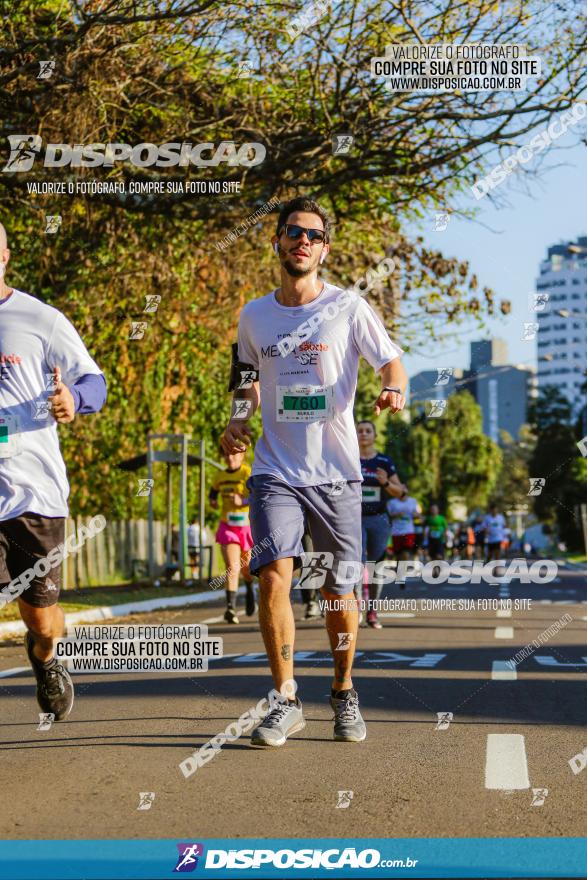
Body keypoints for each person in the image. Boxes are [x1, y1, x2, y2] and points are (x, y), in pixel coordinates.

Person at [221, 196, 406, 747]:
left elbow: (391, 360)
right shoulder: (253, 315)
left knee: (337, 592)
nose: (303, 241)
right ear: (276, 241)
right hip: (275, 470)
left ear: (325, 249)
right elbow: (245, 383)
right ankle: (285, 699)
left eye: (314, 235)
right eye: (294, 232)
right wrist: (236, 422)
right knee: (274, 573)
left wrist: (393, 386)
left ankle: (344, 691)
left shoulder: (349, 307)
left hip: (337, 474)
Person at [0, 222, 107, 721]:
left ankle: (46, 658)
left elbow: (95, 381)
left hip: (33, 492)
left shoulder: (38, 319)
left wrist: (73, 399)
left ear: (4, 257)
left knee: (41, 618)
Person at [356, 419, 406, 628]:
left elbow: (401, 493)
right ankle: (357, 608)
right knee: (356, 563)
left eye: (368, 431)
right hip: (353, 519)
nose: (364, 434)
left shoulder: (384, 461)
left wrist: (385, 482)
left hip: (379, 519)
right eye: (360, 431)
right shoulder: (348, 458)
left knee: (376, 565)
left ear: (375, 436)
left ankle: (372, 610)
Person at [209, 448, 256, 623]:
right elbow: (212, 493)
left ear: (242, 455)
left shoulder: (247, 473)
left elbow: (257, 496)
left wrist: (242, 501)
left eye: (234, 454)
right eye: (227, 454)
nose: (230, 458)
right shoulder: (219, 476)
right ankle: (231, 608)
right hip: (227, 526)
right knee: (232, 566)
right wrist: (213, 502)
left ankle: (250, 587)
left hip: (246, 527)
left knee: (247, 569)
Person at [386, 488, 421, 587]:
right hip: (396, 532)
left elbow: (419, 515)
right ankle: (399, 571)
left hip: (409, 531)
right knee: (398, 555)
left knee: (405, 554)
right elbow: (387, 516)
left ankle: (402, 576)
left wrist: (416, 515)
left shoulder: (413, 501)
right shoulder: (392, 502)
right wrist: (396, 515)